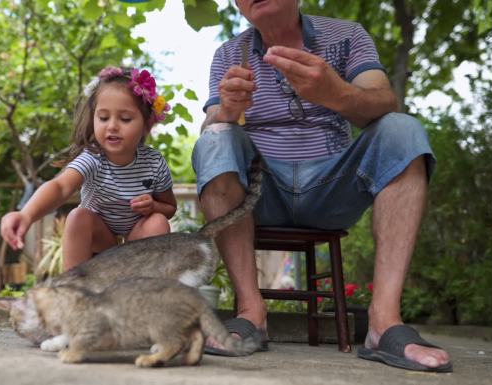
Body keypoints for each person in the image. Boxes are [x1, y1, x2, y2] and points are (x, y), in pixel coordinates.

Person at [193, 0, 452, 372]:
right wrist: (228, 112)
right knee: (215, 136)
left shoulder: (347, 35)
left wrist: (336, 93)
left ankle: (384, 323)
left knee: (402, 128)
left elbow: (384, 100)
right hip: (260, 192)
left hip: (334, 189)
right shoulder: (229, 52)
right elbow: (210, 129)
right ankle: (251, 314)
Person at [1, 66, 177, 271]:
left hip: (136, 239)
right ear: (93, 118)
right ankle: (74, 290)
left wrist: (153, 207)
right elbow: (60, 187)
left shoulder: (154, 162)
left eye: (125, 119)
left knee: (158, 222)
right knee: (77, 216)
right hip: (100, 238)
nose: (112, 126)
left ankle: (141, 291)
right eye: (103, 118)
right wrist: (26, 215)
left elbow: (169, 208)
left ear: (146, 125)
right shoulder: (93, 158)